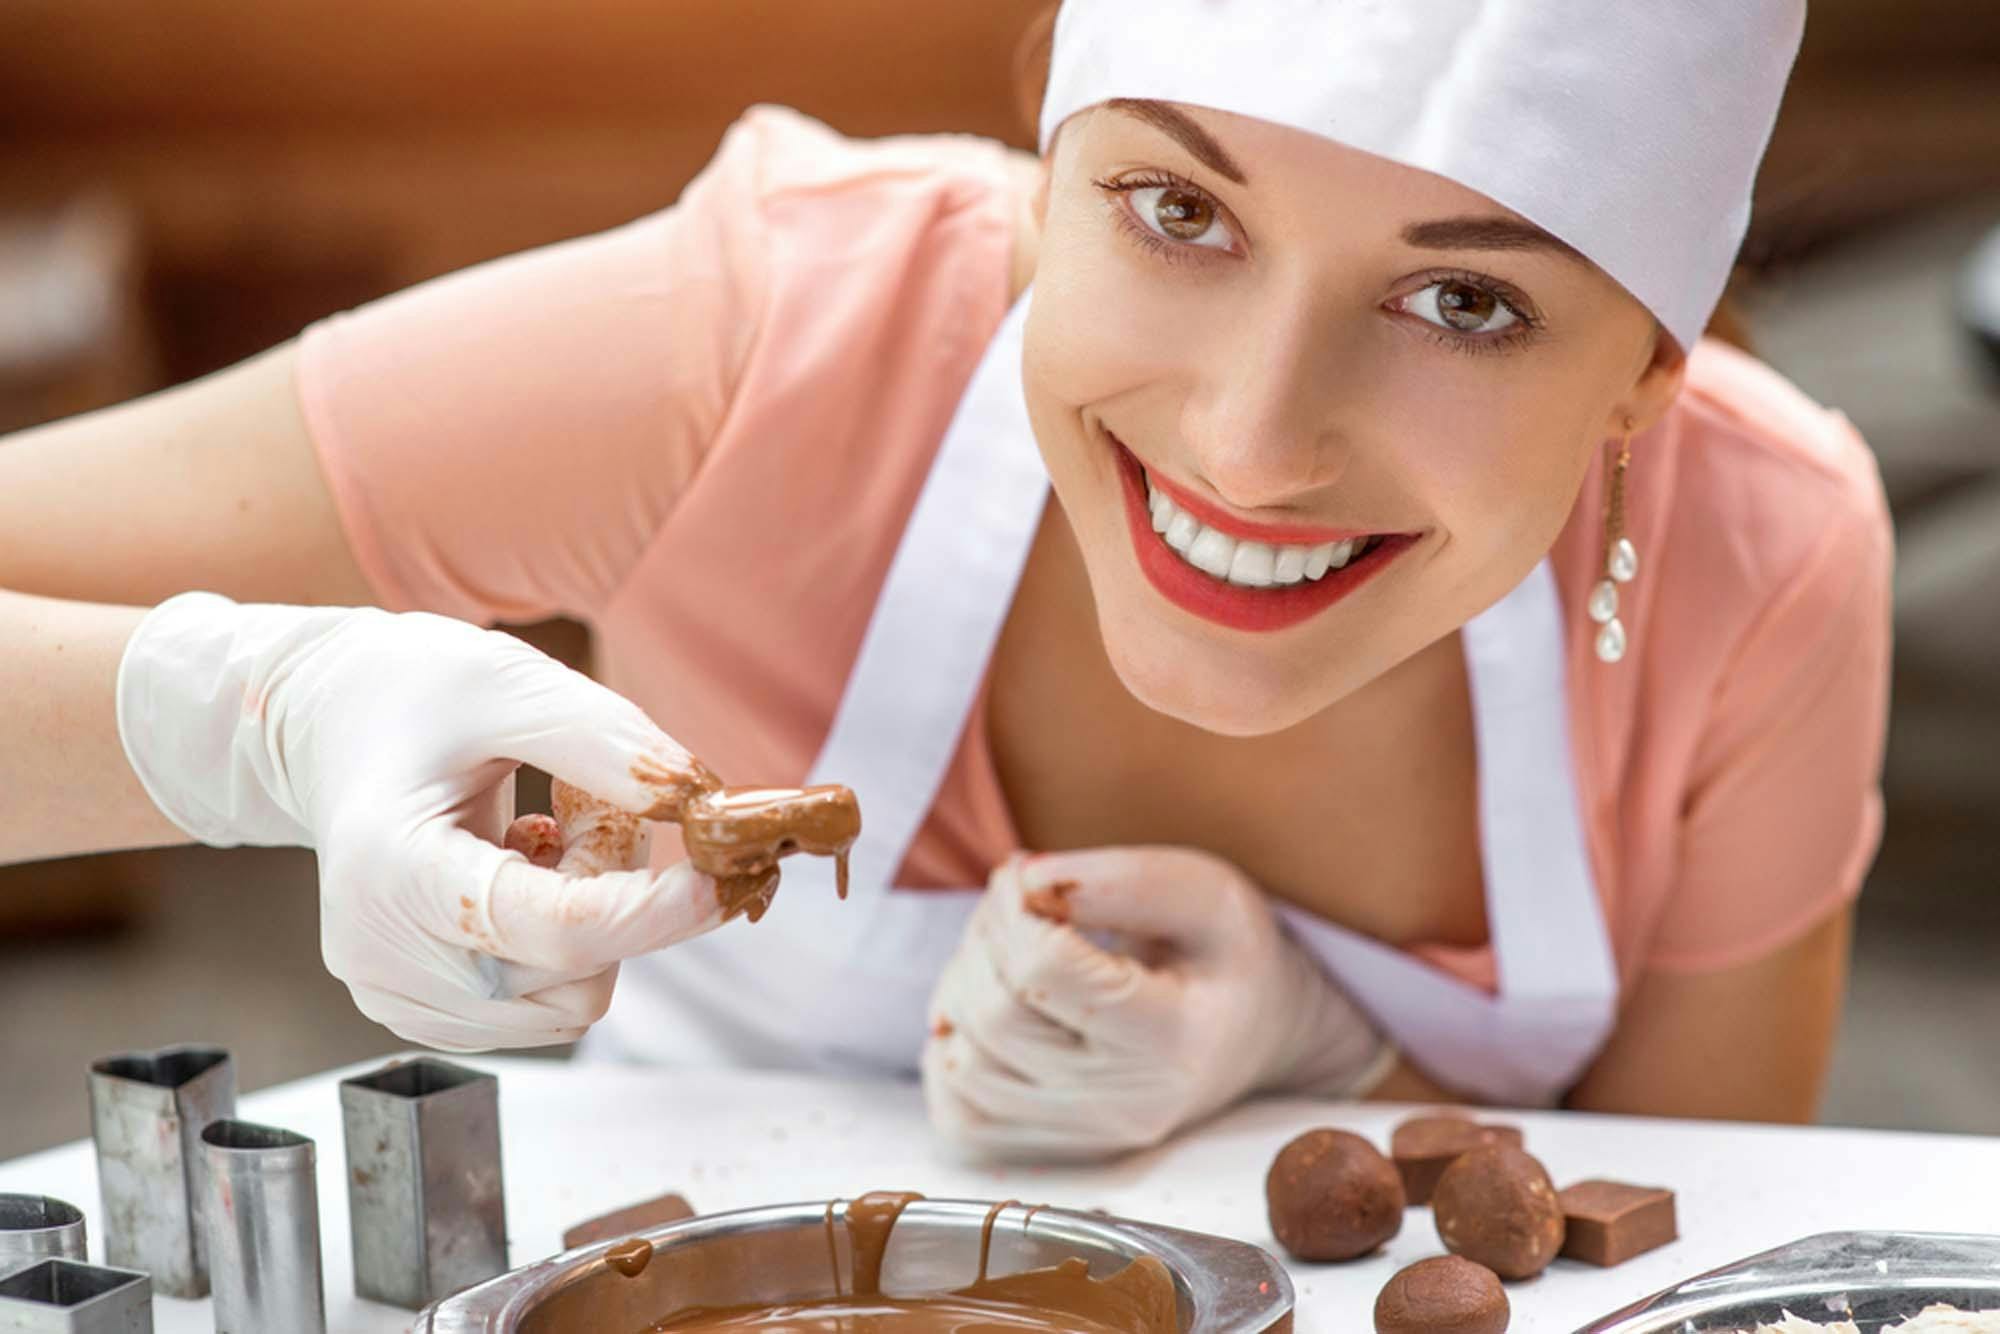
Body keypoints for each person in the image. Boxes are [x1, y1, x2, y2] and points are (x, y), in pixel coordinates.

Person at [0, 0, 1890, 1159]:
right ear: (1048, 157)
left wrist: (1353, 1072)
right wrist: (246, 722)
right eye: (1177, 211)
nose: (1250, 446)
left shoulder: (1771, 561)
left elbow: (1690, 1256)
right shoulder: (766, 345)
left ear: (1648, 368)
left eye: (1465, 301)